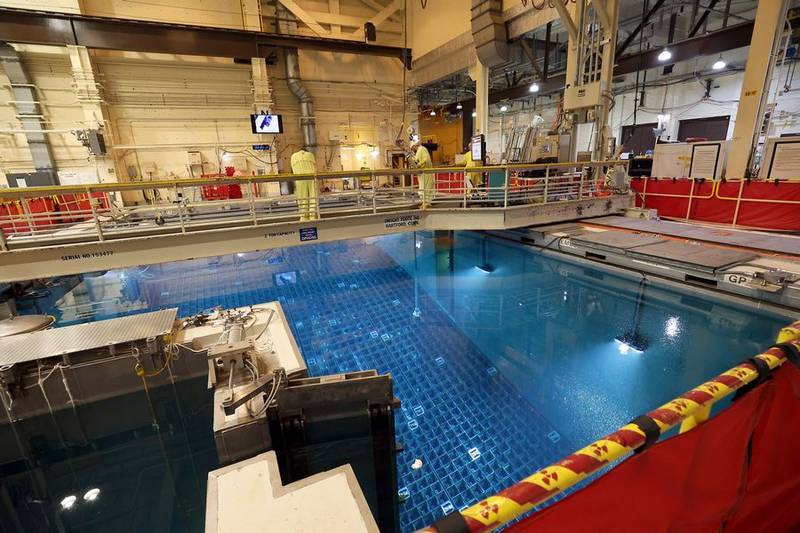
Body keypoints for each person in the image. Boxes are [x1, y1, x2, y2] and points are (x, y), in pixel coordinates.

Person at [290, 148, 319, 221]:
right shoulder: (310, 155)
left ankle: (304, 217)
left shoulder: (293, 156)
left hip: (300, 179)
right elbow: (315, 168)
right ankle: (312, 216)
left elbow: (292, 169)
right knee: (313, 196)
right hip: (312, 178)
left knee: (302, 197)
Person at [412, 142, 433, 208]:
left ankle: (426, 203)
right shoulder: (418, 151)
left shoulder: (422, 149)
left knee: (426, 187)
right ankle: (424, 203)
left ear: (414, 146)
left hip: (426, 173)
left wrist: (418, 165)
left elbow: (425, 160)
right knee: (422, 187)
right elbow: (416, 161)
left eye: (412, 148)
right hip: (422, 174)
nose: (412, 149)